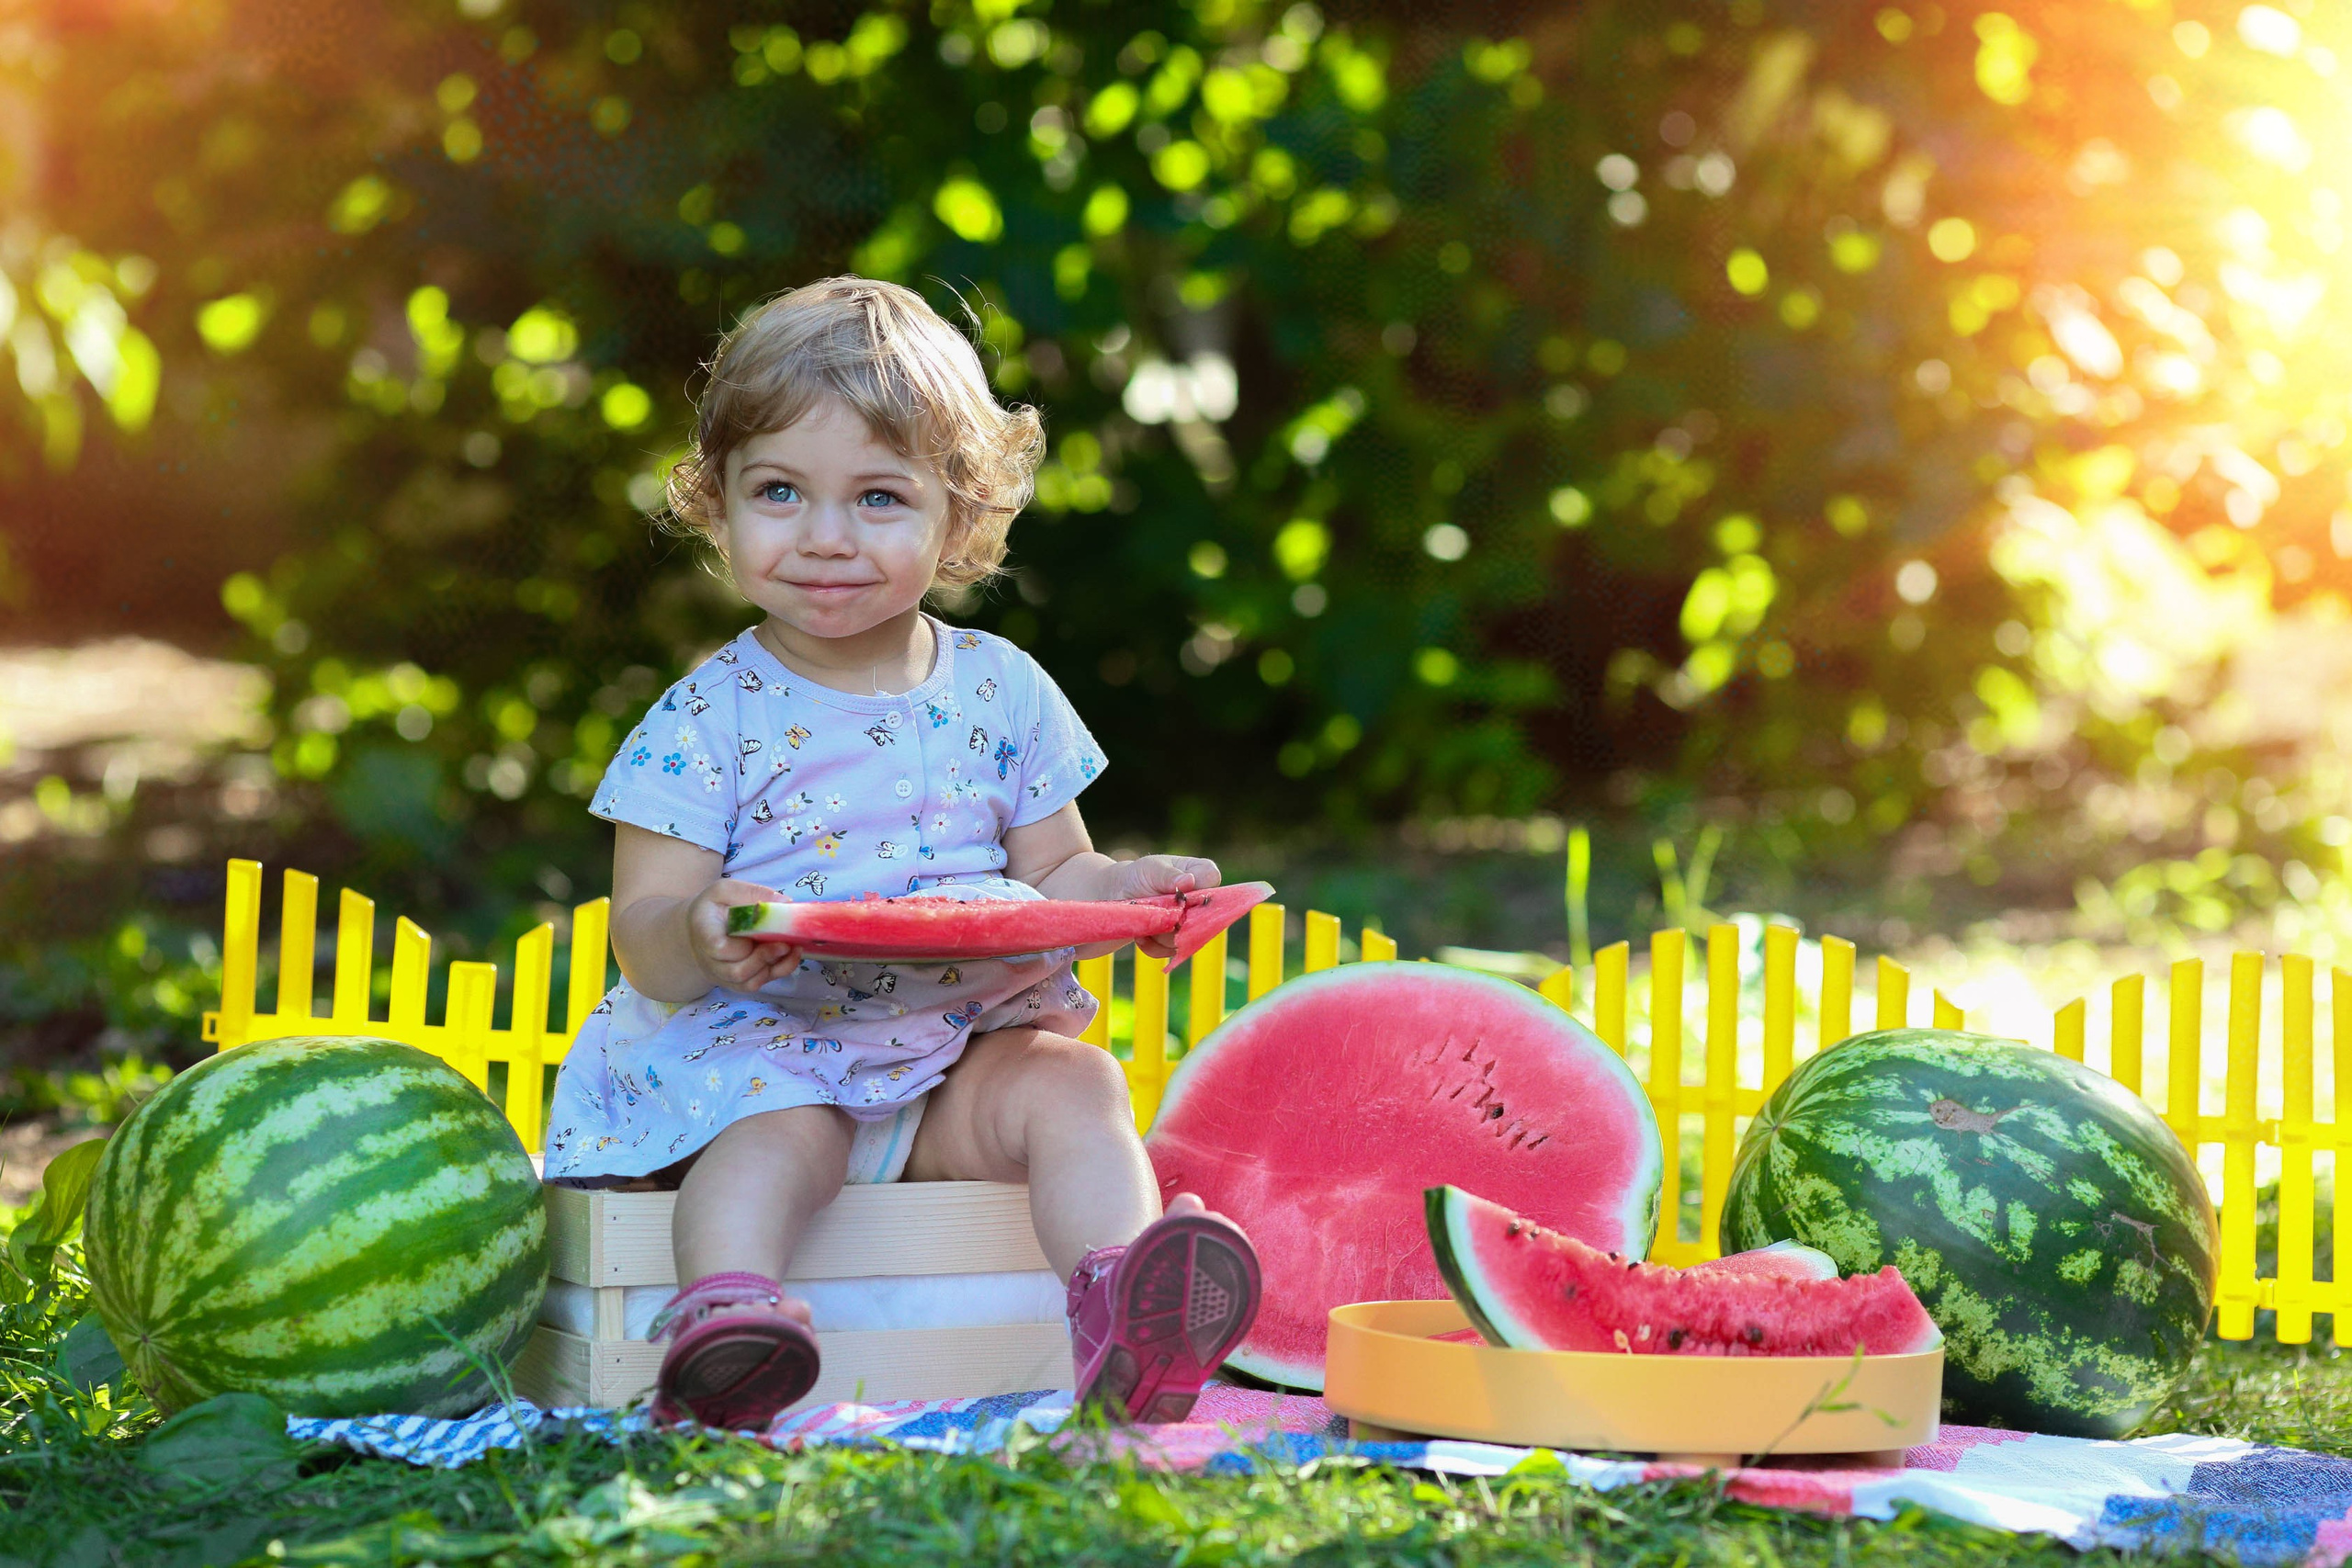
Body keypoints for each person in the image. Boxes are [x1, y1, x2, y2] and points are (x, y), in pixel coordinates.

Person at [542, 276, 1261, 1432]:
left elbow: (1057, 876)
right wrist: (704, 937)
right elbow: (645, 937)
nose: (826, 537)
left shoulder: (1004, 688)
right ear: (718, 504)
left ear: (958, 516)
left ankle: (1124, 1306)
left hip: (955, 1056)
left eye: (878, 497)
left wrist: (1129, 893)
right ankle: (729, 1323)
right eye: (779, 491)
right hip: (773, 1052)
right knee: (773, 1142)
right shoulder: (703, 717)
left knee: (1076, 1083)